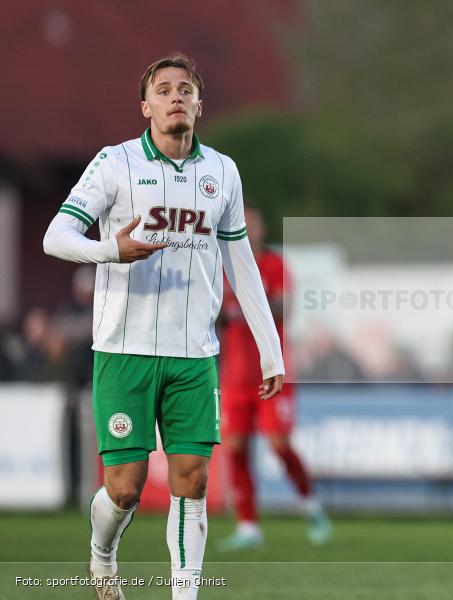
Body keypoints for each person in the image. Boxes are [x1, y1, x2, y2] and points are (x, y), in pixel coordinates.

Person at [43, 53, 284, 600]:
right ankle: (102, 555)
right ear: (145, 106)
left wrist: (271, 350)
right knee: (124, 490)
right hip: (122, 349)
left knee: (193, 480)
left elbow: (241, 264)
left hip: (194, 353)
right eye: (164, 89)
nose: (176, 96)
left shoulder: (222, 171)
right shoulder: (115, 163)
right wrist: (112, 251)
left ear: (200, 105)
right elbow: (54, 237)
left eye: (186, 89)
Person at [218, 206, 331, 549]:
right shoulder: (223, 269)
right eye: (243, 227)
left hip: (272, 372)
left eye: (253, 226)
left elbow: (285, 308)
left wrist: (253, 300)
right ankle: (249, 526)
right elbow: (216, 317)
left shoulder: (274, 266)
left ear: (262, 231)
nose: (248, 233)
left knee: (278, 445)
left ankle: (309, 503)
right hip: (235, 377)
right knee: (235, 448)